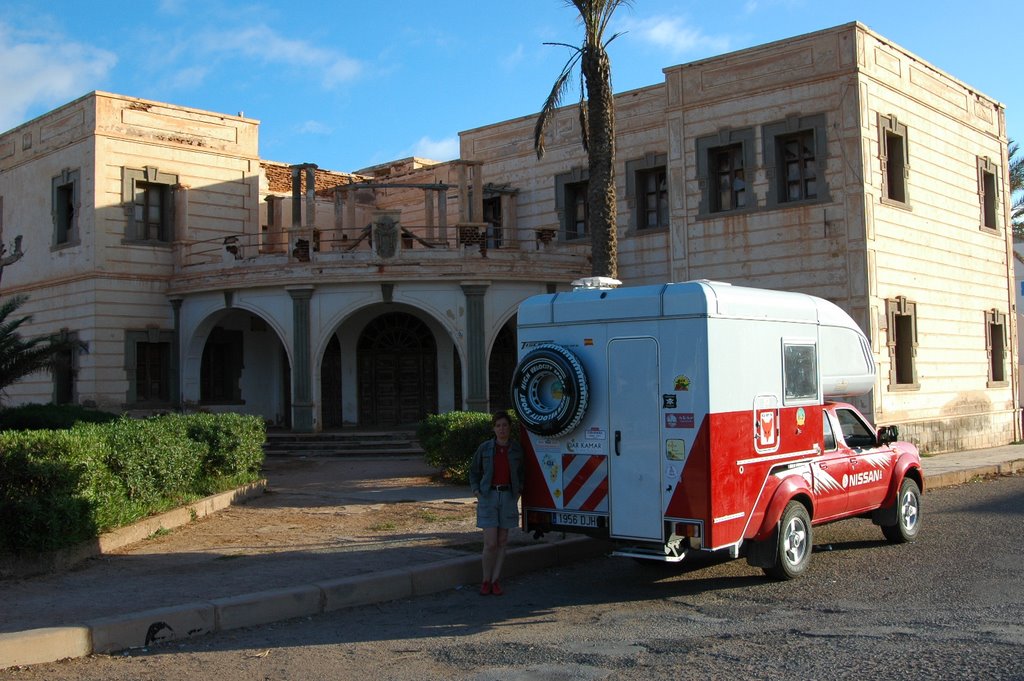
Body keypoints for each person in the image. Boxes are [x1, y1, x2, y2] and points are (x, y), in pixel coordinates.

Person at [469, 410, 524, 596]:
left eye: (505, 425)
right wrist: (476, 490)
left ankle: (495, 580)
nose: (502, 429)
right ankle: (485, 580)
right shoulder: (485, 448)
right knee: (490, 543)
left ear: (510, 428)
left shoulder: (516, 449)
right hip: (488, 496)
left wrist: (518, 492)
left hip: (508, 496)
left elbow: (523, 472)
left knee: (502, 541)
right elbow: (474, 471)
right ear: (494, 428)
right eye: (498, 425)